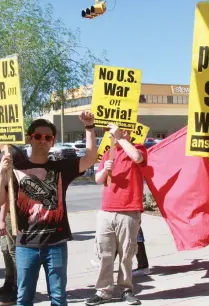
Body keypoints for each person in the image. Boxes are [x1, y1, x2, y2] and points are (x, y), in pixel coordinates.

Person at [0, 112, 98, 306]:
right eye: (38, 136)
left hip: (56, 243)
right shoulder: (16, 168)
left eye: (47, 137)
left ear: (53, 141)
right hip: (26, 244)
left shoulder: (61, 168)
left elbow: (91, 157)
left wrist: (89, 127)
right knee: (24, 298)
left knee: (58, 297)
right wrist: (0, 174)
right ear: (29, 138)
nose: (43, 140)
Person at [85, 123, 147, 306]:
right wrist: (105, 169)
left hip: (129, 211)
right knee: (105, 254)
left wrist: (119, 137)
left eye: (126, 130)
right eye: (120, 130)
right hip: (106, 211)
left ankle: (126, 290)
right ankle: (103, 291)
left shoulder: (138, 149)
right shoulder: (108, 154)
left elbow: (137, 158)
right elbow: (98, 180)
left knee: (126, 254)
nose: (122, 132)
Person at [0, 145, 29, 305]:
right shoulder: (3, 154)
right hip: (6, 209)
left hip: (12, 210)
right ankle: (9, 283)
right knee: (5, 248)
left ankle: (19, 288)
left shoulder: (12, 154)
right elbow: (3, 183)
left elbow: (11, 188)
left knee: (13, 250)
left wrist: (2, 218)